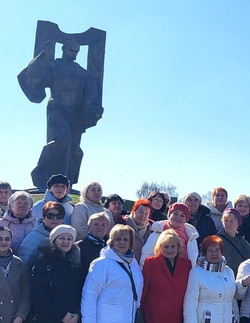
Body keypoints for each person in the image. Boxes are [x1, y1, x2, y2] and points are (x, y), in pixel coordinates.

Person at [19, 38, 103, 186]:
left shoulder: (83, 74)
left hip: (76, 112)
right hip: (57, 107)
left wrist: (92, 111)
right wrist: (44, 54)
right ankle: (42, 176)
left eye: (76, 51)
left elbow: (92, 95)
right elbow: (34, 76)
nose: (74, 53)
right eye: (71, 50)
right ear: (63, 49)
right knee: (61, 141)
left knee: (73, 148)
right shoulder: (54, 66)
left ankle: (65, 182)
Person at [19, 202, 67, 269]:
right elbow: (24, 264)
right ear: (43, 218)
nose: (55, 219)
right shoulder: (33, 237)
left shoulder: (67, 237)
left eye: (59, 216)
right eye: (50, 216)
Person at [217, 208, 250, 275]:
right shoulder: (216, 241)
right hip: (222, 277)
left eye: (231, 221)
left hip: (240, 278)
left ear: (238, 223)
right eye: (226, 221)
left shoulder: (244, 243)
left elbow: (249, 262)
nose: (228, 223)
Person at [117, 199, 153, 263]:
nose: (143, 215)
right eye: (140, 212)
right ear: (133, 211)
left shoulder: (151, 230)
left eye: (146, 214)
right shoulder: (122, 223)